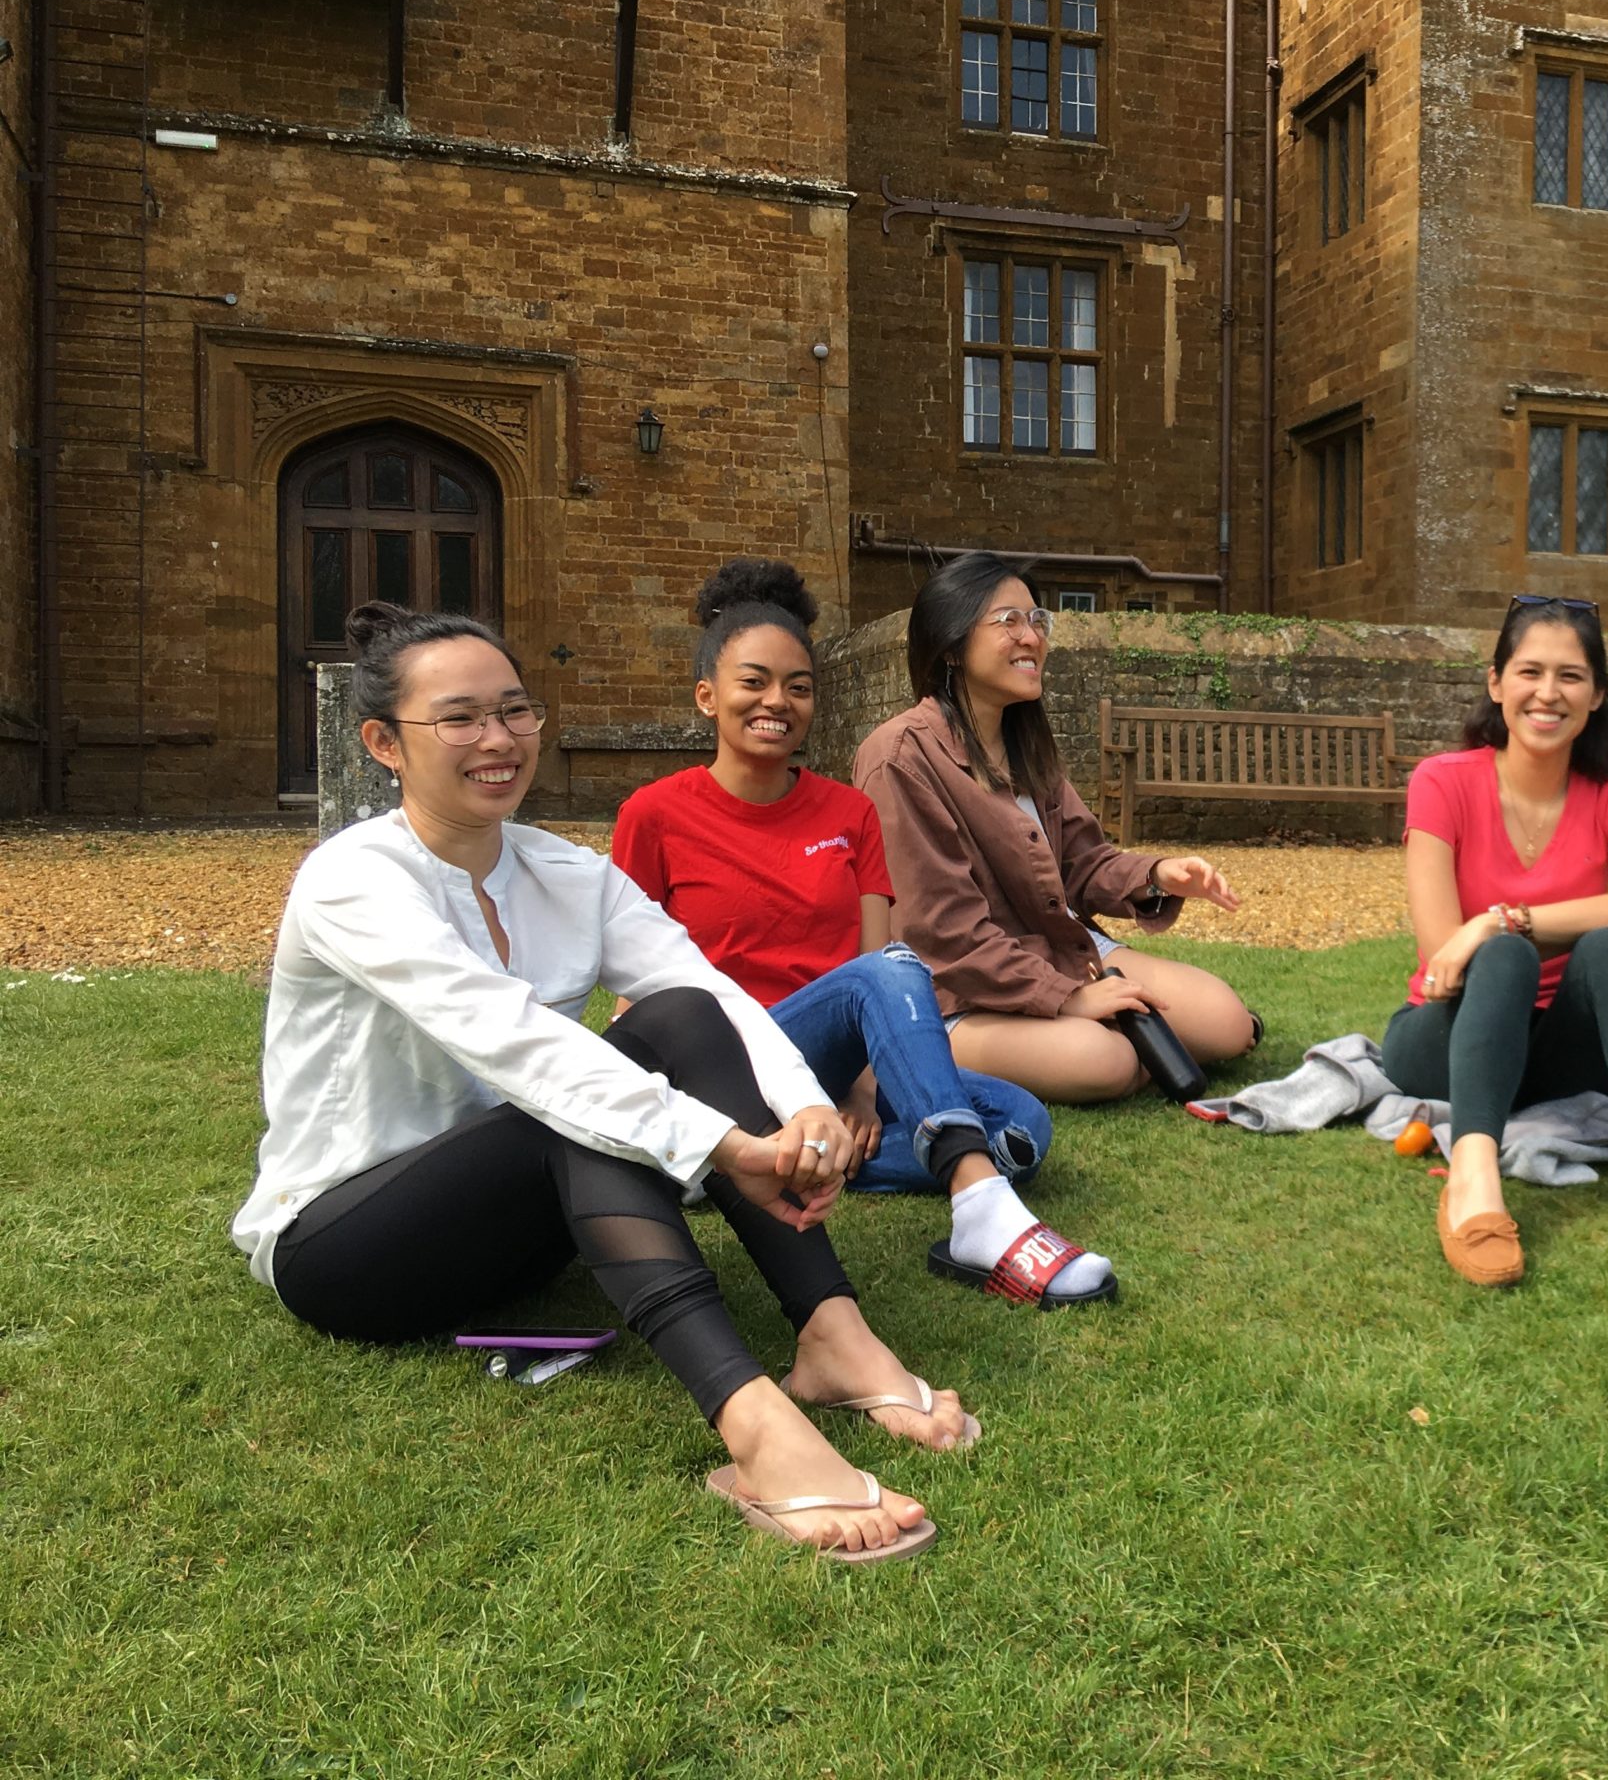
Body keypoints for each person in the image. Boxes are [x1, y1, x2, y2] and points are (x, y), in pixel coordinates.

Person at [234, 600, 969, 1571]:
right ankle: (754, 1430)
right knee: (566, 1095)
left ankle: (833, 1336)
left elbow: (702, 991)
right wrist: (719, 1145)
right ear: (384, 742)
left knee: (678, 1018)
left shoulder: (561, 874)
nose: (497, 739)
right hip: (344, 1250)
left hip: (511, 1238)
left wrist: (800, 1108)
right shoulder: (352, 882)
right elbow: (518, 1045)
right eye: (458, 718)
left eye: (515, 711)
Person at [612, 557, 1114, 1308]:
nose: (776, 702)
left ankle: (751, 1163)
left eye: (799, 687)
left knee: (1022, 1123)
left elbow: (875, 962)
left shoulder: (848, 814)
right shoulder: (654, 814)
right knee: (910, 1010)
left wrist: (859, 1087)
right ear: (707, 696)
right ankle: (979, 1207)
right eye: (754, 682)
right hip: (726, 1058)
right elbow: (636, 989)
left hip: (830, 1062)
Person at [1380, 595, 1608, 1291]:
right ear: (1496, 683)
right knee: (1509, 955)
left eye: (1571, 676)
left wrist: (1500, 918)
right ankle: (1472, 1180)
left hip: (1567, 1051)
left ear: (1598, 693)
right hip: (1448, 1038)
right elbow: (1444, 957)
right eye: (1530, 672)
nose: (1548, 694)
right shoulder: (1442, 781)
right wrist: (1501, 933)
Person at [853, 552, 1259, 1105]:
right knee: (1106, 1061)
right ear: (950, 646)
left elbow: (1083, 863)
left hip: (1060, 948)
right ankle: (928, 1048)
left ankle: (1103, 1033)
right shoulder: (899, 756)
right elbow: (941, 935)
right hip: (958, 989)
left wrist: (1159, 875)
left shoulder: (1024, 743)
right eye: (1008, 621)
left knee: (1228, 1024)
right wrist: (1066, 998)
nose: (1031, 637)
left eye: (1037, 620)